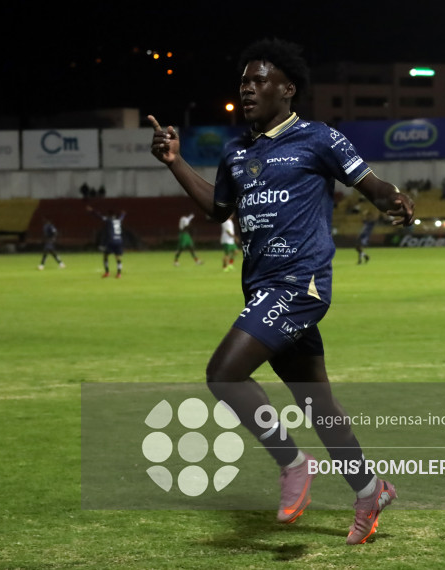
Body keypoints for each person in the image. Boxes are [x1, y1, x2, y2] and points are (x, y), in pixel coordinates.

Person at [148, 38, 413, 545]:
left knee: (224, 373)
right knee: (318, 405)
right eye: (243, 82)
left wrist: (394, 199)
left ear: (287, 89)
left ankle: (292, 462)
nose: (247, 89)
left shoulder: (318, 138)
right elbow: (217, 210)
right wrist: (175, 162)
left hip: (300, 283)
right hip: (261, 289)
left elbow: (371, 184)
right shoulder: (237, 152)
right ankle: (370, 489)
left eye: (258, 81)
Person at [87, 206, 125, 278]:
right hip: (119, 241)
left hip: (111, 241)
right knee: (118, 257)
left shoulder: (108, 220)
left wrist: (92, 211)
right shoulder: (119, 220)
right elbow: (122, 217)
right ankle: (119, 274)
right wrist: (123, 214)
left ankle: (107, 272)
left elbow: (99, 216)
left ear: (109, 215)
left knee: (105, 256)